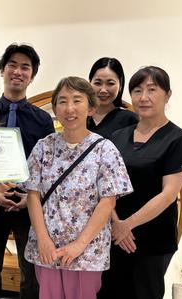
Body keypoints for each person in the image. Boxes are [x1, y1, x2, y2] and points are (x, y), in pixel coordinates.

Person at [24, 76, 133, 299]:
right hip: (47, 250)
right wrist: (43, 240)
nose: (69, 108)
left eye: (77, 100)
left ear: (91, 107)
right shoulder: (44, 147)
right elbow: (33, 195)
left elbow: (108, 201)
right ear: (55, 108)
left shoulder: (105, 150)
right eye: (62, 101)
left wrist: (79, 245)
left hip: (87, 253)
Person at [98, 66, 182, 299]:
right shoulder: (118, 136)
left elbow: (168, 194)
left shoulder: (178, 139)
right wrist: (116, 224)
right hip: (113, 234)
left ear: (167, 95)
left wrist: (127, 225)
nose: (143, 97)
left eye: (152, 90)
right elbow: (106, 185)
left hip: (153, 239)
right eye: (137, 90)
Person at [0, 43, 55, 299]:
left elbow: (49, 167)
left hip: (29, 204)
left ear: (32, 75)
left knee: (32, 272)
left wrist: (28, 198)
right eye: (12, 65)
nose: (18, 71)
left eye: (25, 67)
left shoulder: (43, 120)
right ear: (2, 70)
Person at [88, 57, 138, 138]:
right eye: (98, 83)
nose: (103, 90)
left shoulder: (130, 120)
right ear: (89, 83)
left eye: (110, 83)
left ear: (120, 86)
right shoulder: (79, 116)